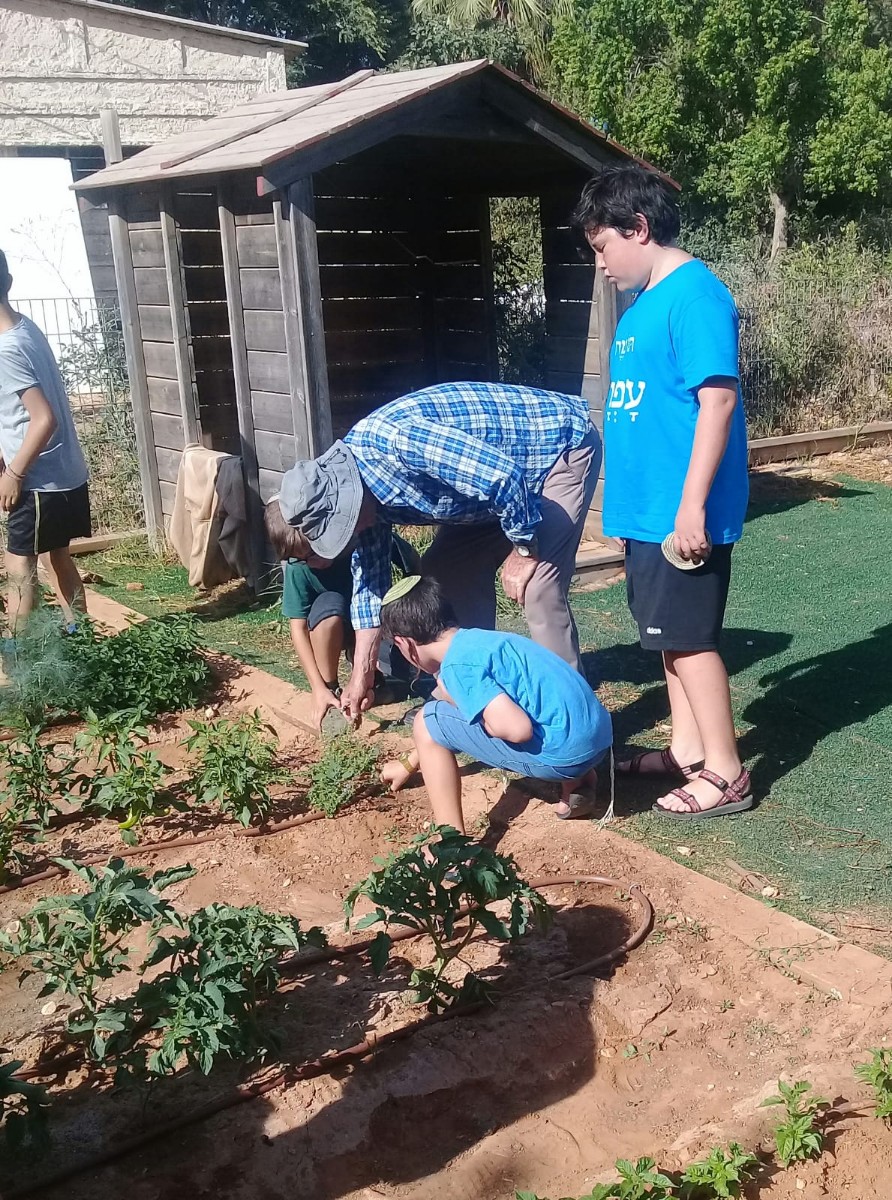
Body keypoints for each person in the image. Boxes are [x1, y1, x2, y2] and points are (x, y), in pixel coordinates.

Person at [573, 165, 751, 819]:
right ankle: (686, 751)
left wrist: (691, 505)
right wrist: (625, 510)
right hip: (646, 512)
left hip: (681, 512)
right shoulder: (645, 304)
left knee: (691, 640)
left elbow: (718, 399)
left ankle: (727, 773)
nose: (600, 265)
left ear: (638, 228)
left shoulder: (696, 297)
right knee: (666, 639)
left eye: (601, 248)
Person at [271, 381, 601, 721]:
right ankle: (476, 695)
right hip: (493, 493)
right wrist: (362, 673)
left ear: (349, 498)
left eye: (344, 524)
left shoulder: (398, 443)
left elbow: (501, 477)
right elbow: (370, 582)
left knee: (539, 587)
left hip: (553, 453)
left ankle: (570, 723)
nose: (349, 533)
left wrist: (524, 549)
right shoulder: (361, 505)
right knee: (444, 570)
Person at [376, 576, 613, 829]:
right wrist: (409, 763)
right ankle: (578, 783)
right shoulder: (482, 641)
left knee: (425, 722)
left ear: (404, 643)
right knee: (441, 718)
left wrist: (480, 719)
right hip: (599, 741)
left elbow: (516, 730)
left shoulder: (458, 666)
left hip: (563, 758)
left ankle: (452, 844)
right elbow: (447, 716)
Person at [265, 502, 424, 729]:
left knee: (405, 670)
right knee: (330, 605)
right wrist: (317, 687)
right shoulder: (298, 568)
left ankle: (376, 684)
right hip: (330, 629)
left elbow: (412, 562)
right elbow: (297, 629)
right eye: (302, 559)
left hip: (374, 628)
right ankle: (331, 690)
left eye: (313, 553)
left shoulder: (359, 541)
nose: (313, 563)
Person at [0, 250, 91, 637]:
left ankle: (22, 665)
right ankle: (82, 639)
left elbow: (43, 419)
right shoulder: (26, 328)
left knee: (18, 567)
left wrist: (15, 473)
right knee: (59, 559)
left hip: (40, 482)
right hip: (68, 473)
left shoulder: (5, 350)